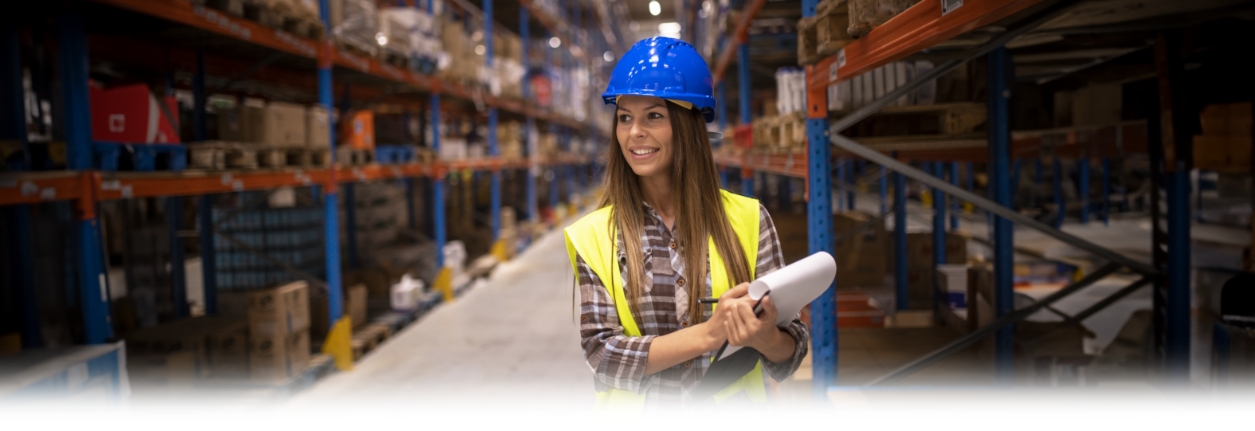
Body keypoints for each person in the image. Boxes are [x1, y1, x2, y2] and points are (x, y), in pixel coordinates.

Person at [563, 37, 810, 410]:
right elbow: (604, 355)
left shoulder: (748, 219)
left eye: (654, 116)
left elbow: (790, 354)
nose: (634, 133)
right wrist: (711, 334)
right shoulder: (595, 235)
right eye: (625, 117)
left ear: (689, 124)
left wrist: (762, 337)